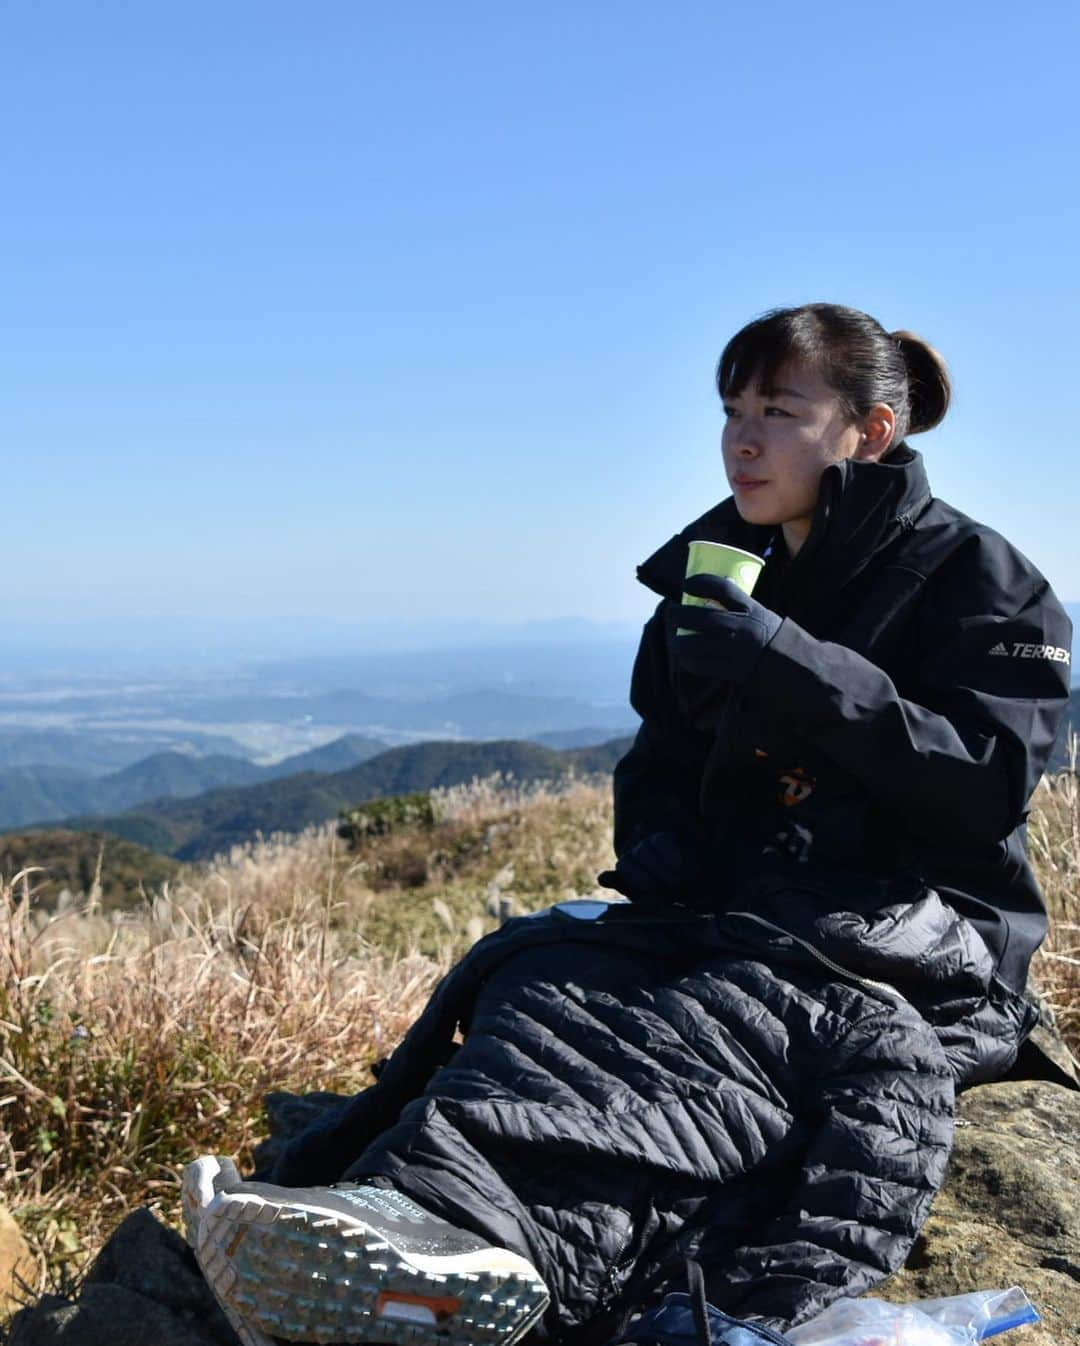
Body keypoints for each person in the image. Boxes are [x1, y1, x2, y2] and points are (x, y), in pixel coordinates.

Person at [182, 304, 1071, 1346]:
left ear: (870, 432)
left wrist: (789, 665)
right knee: (542, 977)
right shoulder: (720, 563)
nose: (743, 437)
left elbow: (985, 787)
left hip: (913, 927)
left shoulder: (984, 582)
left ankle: (513, 1254)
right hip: (744, 901)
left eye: (780, 410)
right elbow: (659, 755)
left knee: (710, 1026)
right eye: (732, 409)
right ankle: (410, 1215)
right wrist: (659, 837)